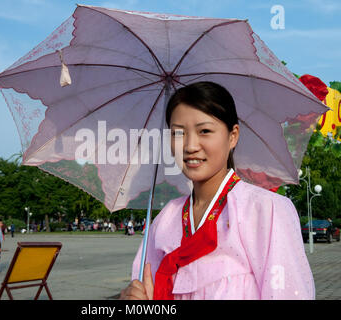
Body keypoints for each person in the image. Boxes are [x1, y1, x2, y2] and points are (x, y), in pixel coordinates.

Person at [120, 81, 314, 300]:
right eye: (178, 133)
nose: (190, 146)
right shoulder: (166, 218)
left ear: (232, 136)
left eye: (204, 131)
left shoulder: (265, 210)